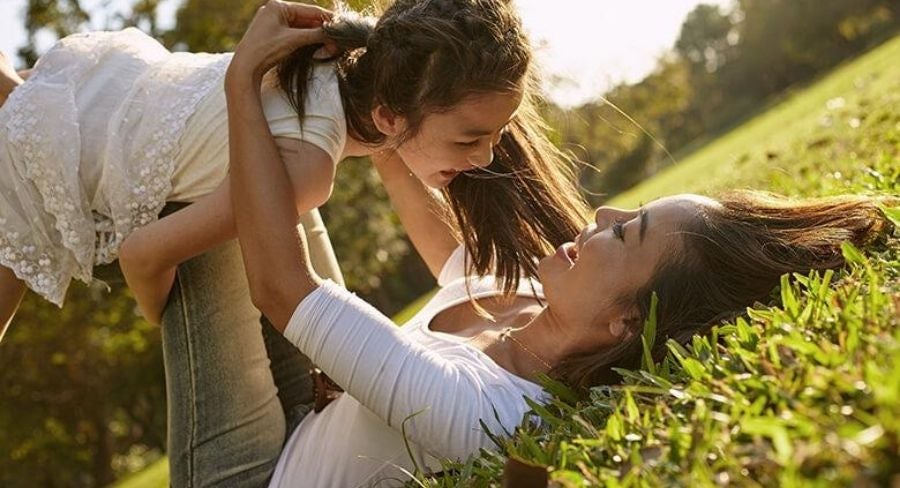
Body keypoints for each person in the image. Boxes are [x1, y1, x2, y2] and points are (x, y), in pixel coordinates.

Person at [214, 5, 894, 486]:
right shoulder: (518, 299)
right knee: (265, 186)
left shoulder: (483, 410)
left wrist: (242, 82)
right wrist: (400, 55)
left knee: (206, 217)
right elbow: (398, 156)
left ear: (623, 322)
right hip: (306, 412)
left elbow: (281, 287)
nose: (602, 212)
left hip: (257, 475)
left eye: (627, 231)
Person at [0, 0, 589, 334]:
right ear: (386, 118)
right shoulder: (307, 170)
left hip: (100, 92)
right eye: (470, 139)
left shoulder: (330, 64)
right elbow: (142, 254)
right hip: (61, 162)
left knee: (17, 99)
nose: (486, 157)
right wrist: (172, 321)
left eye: (496, 134)